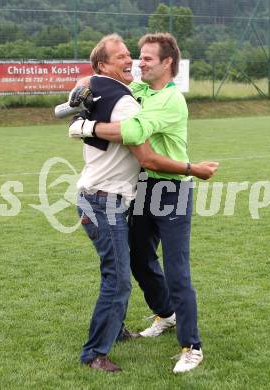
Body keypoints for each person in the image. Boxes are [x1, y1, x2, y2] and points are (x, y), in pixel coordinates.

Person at [70, 33, 218, 373]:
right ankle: (166, 315)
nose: (140, 62)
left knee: (177, 272)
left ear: (168, 63)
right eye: (137, 55)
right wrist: (84, 89)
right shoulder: (138, 91)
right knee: (138, 261)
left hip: (172, 191)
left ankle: (191, 345)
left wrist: (85, 126)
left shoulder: (170, 100)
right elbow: (97, 83)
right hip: (141, 190)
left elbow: (136, 134)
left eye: (148, 57)